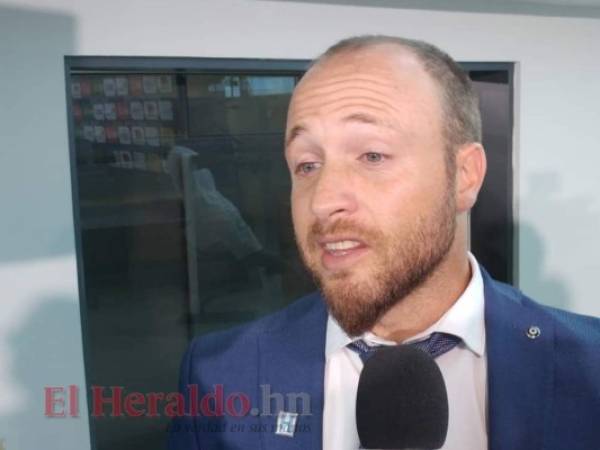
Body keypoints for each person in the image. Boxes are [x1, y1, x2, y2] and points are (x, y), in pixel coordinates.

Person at [168, 36, 600, 450]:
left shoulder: (590, 367)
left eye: (372, 155)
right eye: (306, 164)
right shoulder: (218, 375)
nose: (322, 201)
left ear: (465, 176)